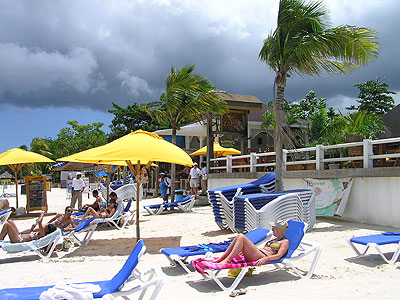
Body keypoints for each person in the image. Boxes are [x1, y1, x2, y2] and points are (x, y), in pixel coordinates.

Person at [213, 220, 289, 266]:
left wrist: (265, 259)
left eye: (273, 228)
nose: (272, 229)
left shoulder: (284, 242)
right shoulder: (275, 239)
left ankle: (227, 260)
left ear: (278, 230)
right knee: (239, 236)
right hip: (258, 254)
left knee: (241, 237)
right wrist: (248, 251)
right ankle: (223, 258)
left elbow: (279, 256)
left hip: (261, 257)